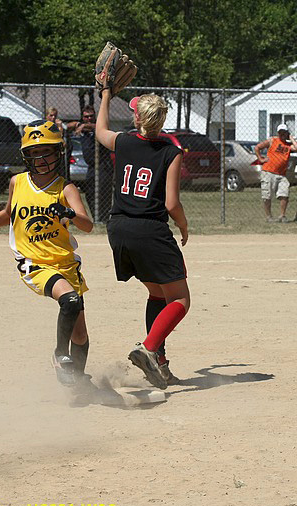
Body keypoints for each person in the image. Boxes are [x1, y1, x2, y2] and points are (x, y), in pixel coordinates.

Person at [0, 120, 94, 387]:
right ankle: (59, 355)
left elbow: (87, 225)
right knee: (71, 301)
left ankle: (77, 382)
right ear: (26, 156)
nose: (41, 159)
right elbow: (10, 214)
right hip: (35, 263)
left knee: (80, 333)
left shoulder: (66, 188)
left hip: (65, 263)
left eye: (48, 152)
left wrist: (69, 213)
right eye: (34, 153)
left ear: (59, 153)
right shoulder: (17, 183)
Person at [96, 91, 190, 390]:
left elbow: (100, 131)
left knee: (157, 294)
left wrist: (106, 95)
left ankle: (159, 363)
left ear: (137, 118)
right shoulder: (171, 151)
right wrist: (184, 227)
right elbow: (172, 203)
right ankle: (149, 349)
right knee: (180, 299)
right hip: (150, 230)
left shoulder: (123, 142)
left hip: (119, 227)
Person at [69, 105, 113, 222]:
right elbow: (67, 126)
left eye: (91, 116)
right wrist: (78, 125)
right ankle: (96, 218)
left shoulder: (100, 127)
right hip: (91, 168)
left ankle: (103, 219)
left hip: (104, 167)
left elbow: (99, 127)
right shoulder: (84, 131)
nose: (88, 119)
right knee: (89, 194)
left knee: (104, 194)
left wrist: (84, 125)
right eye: (86, 117)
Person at [255, 124, 297, 222]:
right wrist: (260, 159)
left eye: (284, 132)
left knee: (285, 193)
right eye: (280, 132)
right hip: (268, 172)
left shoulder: (288, 145)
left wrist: (291, 138)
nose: (282, 134)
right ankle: (269, 217)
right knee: (266, 195)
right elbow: (257, 147)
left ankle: (282, 215)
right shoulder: (272, 140)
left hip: (281, 174)